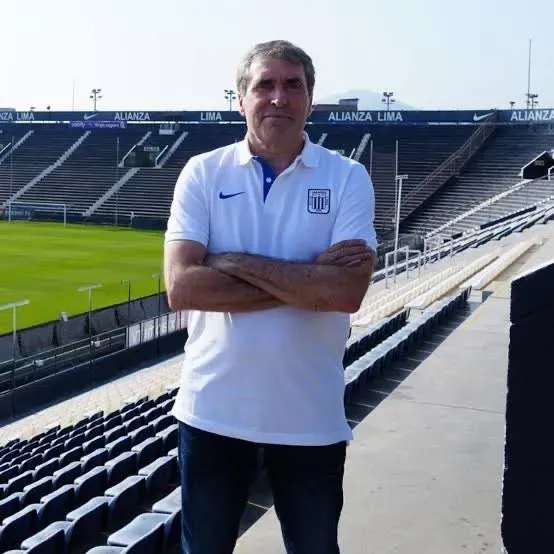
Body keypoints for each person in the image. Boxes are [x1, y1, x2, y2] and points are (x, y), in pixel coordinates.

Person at [164, 39, 377, 554]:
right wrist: (308, 281)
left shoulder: (348, 178)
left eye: (292, 85)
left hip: (308, 416)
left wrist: (232, 262)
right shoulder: (202, 172)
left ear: (309, 97)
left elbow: (345, 291)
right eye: (264, 85)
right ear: (241, 98)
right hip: (212, 410)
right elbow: (182, 287)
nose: (278, 97)